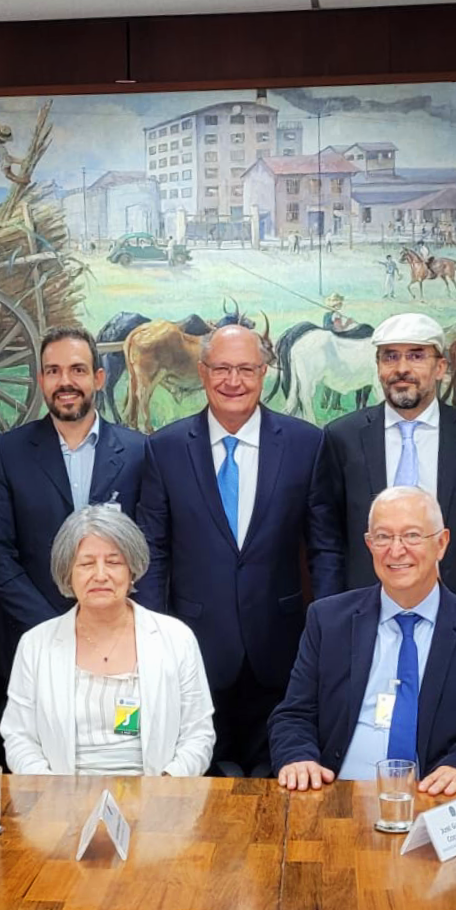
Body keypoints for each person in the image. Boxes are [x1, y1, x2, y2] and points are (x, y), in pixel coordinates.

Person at [136, 324, 323, 776]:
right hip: (193, 649)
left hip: (280, 651)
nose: (233, 381)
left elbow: (325, 549)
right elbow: (152, 554)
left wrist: (327, 635)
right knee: (198, 787)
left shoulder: (306, 444)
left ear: (263, 372)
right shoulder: (165, 449)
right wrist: (153, 643)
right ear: (202, 372)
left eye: (245, 369)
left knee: (277, 786)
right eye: (221, 368)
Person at [269, 486, 456, 791]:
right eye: (383, 537)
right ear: (369, 544)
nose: (396, 550)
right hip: (335, 796)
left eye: (412, 535)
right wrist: (298, 757)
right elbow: (293, 715)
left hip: (435, 800)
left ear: (442, 543)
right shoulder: (328, 621)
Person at [309, 312, 456, 604]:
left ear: (440, 367)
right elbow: (327, 534)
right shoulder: (342, 438)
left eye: (416, 356)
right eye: (390, 357)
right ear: (377, 367)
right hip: (365, 606)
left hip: (455, 606)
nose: (402, 368)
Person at [2, 506, 214, 776]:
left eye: (113, 562)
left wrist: (165, 785)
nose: (100, 575)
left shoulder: (176, 638)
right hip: (61, 801)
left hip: (157, 799)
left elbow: (198, 735)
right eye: (86, 563)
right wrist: (54, 795)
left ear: (132, 570)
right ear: (68, 573)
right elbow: (19, 739)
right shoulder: (35, 645)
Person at [0, 327, 147, 653]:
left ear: (99, 378)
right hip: (33, 640)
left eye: (77, 370)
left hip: (120, 639)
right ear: (41, 381)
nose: (65, 382)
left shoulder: (139, 452)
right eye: (53, 371)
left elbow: (151, 547)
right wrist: (50, 628)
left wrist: (119, 619)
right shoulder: (6, 453)